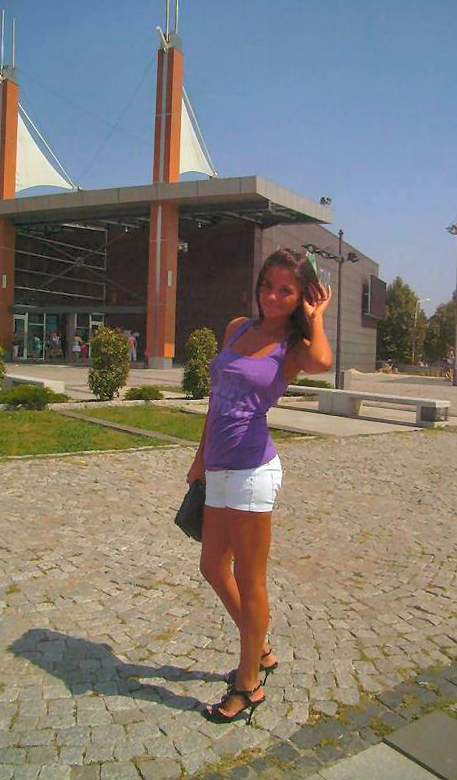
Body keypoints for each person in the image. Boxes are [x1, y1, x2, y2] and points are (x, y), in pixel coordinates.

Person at [188, 248, 333, 725]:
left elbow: (322, 361)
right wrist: (200, 459)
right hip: (219, 467)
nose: (272, 296)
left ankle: (248, 684)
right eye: (268, 285)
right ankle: (261, 646)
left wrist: (316, 316)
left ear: (301, 296)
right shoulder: (237, 328)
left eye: (286, 290)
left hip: (253, 471)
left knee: (250, 580)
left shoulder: (293, 346)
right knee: (213, 566)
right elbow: (217, 399)